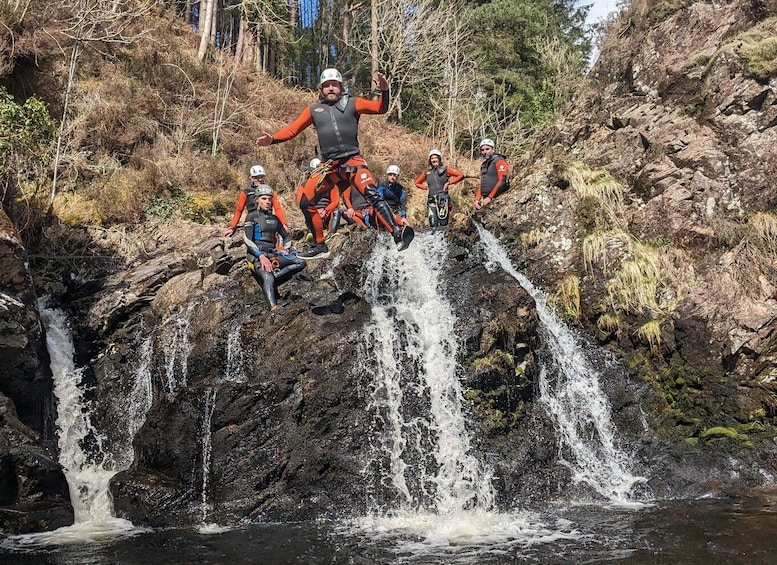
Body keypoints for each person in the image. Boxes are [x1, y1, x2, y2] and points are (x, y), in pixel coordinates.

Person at [256, 68, 414, 258]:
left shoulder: (353, 104)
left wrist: (385, 90)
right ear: (321, 89)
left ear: (341, 86)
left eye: (334, 85)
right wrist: (272, 139)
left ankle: (397, 234)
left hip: (352, 161)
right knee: (305, 200)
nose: (331, 88)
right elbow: (292, 130)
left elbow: (380, 108)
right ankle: (320, 244)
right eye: (326, 85)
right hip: (329, 167)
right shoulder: (314, 110)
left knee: (372, 194)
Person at [242, 184, 306, 311]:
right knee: (267, 277)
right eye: (264, 199)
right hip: (255, 256)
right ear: (257, 200)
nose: (267, 202)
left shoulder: (275, 219)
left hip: (273, 254)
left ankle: (275, 276)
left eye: (269, 199)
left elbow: (286, 237)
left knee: (301, 261)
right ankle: (273, 307)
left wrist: (285, 250)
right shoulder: (251, 217)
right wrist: (260, 256)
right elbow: (248, 240)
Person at [224, 165, 288, 237]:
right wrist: (232, 227)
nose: (260, 179)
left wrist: (283, 224)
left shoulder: (270, 191)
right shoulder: (246, 192)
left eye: (262, 177)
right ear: (251, 178)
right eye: (256, 177)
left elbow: (277, 208)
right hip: (252, 221)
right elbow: (239, 210)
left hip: (267, 221)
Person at [415, 149, 464, 228]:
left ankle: (442, 239)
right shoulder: (427, 172)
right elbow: (417, 183)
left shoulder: (446, 169)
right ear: (430, 160)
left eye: (435, 158)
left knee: (443, 223)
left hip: (443, 199)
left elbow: (460, 175)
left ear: (439, 159)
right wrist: (425, 187)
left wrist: (449, 183)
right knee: (432, 223)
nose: (434, 160)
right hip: (432, 200)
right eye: (432, 158)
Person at [474, 138, 510, 210]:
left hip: (499, 198)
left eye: (487, 149)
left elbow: (502, 181)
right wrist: (477, 199)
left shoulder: (499, 161)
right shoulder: (484, 165)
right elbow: (482, 183)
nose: (485, 152)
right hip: (485, 199)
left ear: (492, 149)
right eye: (483, 150)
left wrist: (490, 197)